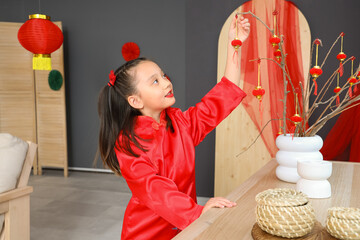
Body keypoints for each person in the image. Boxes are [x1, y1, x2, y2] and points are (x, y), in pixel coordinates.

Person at [98, 15, 250, 240]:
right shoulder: (127, 143)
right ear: (135, 101)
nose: (167, 82)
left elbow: (223, 95)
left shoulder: (181, 124)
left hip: (185, 228)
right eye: (155, 81)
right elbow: (154, 190)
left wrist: (234, 43)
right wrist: (197, 211)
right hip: (146, 234)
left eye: (163, 75)